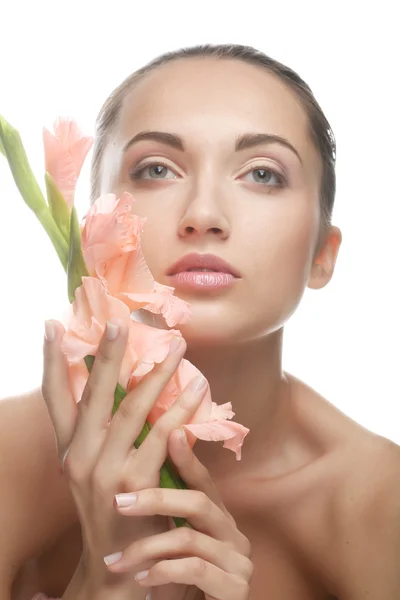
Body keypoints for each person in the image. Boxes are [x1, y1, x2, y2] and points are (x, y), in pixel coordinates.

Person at [2, 43, 399, 600]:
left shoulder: (380, 505)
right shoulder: (6, 460)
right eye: (157, 169)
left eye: (262, 174)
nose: (204, 216)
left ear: (322, 254)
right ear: (94, 229)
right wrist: (109, 583)